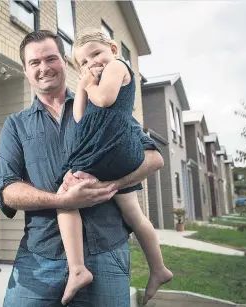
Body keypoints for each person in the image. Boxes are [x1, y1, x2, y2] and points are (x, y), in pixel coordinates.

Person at [0, 30, 164, 307]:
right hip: (40, 255)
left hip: (107, 251)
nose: (44, 68)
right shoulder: (16, 125)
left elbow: (154, 158)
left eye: (51, 59)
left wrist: (109, 185)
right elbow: (6, 190)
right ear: (25, 70)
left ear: (63, 60)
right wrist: (62, 200)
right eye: (34, 63)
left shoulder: (102, 106)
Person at [55, 28, 172, 305]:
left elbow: (105, 99)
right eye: (83, 62)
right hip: (115, 156)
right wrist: (83, 85)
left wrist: (90, 84)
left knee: (64, 198)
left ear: (114, 49)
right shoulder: (94, 81)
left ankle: (78, 269)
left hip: (110, 149)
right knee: (134, 214)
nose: (92, 63)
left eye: (96, 54)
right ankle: (159, 268)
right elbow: (81, 117)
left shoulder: (118, 67)